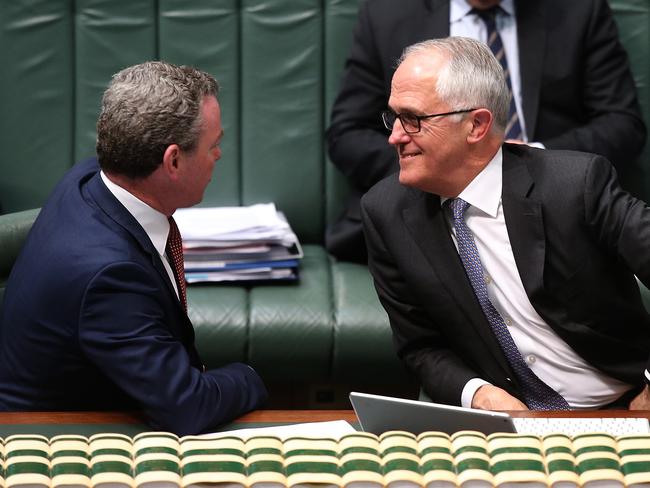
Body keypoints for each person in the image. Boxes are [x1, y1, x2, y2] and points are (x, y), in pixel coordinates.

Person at [361, 36, 650, 411]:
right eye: (393, 117)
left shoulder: (575, 185)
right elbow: (421, 345)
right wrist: (479, 394)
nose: (395, 136)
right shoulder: (387, 213)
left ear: (476, 125)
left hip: (621, 406)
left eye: (413, 119)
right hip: (504, 421)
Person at [0, 61, 268, 434]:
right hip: (55, 442)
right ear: (173, 160)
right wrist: (252, 376)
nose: (219, 155)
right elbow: (187, 408)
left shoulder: (90, 177)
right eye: (214, 144)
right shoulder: (110, 278)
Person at [327, 0, 647, 263]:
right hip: (431, 211)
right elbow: (347, 134)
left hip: (551, 213)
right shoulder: (389, 13)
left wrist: (526, 162)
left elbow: (622, 124)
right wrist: (446, 167)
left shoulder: (578, 11)